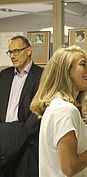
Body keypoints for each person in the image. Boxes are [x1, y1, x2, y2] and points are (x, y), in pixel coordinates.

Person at [30, 45, 87, 177]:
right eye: (83, 65)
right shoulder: (65, 110)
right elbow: (69, 168)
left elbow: (62, 159)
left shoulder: (57, 106)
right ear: (66, 71)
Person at [0, 35, 43, 177]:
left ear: (29, 50)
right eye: (10, 52)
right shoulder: (4, 75)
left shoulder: (42, 75)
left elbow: (39, 110)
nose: (13, 56)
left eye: (17, 51)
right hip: (3, 139)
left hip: (27, 143)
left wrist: (21, 134)